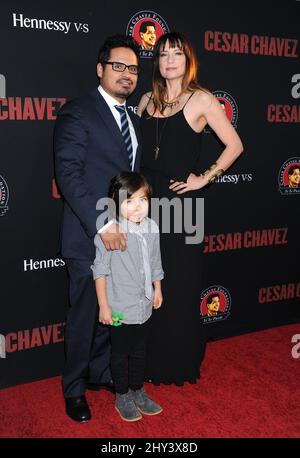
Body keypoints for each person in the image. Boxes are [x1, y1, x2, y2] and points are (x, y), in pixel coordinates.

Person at [137, 32, 243, 385]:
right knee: (148, 283)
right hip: (147, 206)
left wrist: (205, 178)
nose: (169, 60)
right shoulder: (145, 100)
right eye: (163, 54)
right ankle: (145, 359)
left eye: (177, 54)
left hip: (183, 208)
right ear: (157, 61)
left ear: (188, 60)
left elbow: (234, 145)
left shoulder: (201, 100)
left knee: (179, 284)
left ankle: (175, 363)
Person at [54, 34, 141, 422]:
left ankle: (100, 372)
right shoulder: (78, 111)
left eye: (134, 69)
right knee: (86, 315)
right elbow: (69, 175)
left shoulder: (134, 118)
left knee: (114, 313)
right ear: (100, 69)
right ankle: (73, 389)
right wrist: (103, 224)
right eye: (119, 66)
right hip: (90, 234)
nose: (127, 75)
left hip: (126, 236)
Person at [91, 172, 164, 422]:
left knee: (140, 350)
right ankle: (122, 395)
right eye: (129, 201)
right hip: (119, 307)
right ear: (116, 202)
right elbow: (100, 271)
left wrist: (158, 288)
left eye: (143, 200)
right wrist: (104, 306)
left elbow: (155, 261)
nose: (137, 208)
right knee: (120, 352)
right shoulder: (111, 232)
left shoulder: (152, 226)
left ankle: (138, 390)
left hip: (144, 305)